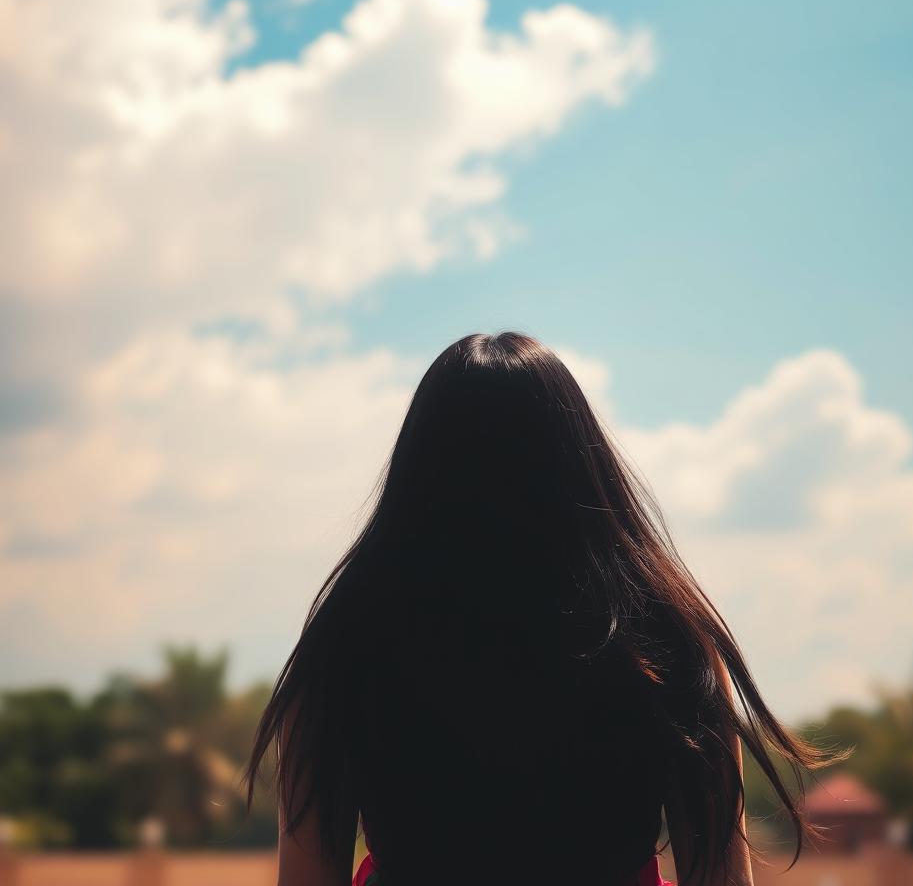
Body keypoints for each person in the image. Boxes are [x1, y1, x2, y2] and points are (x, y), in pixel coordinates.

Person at [243, 331, 848, 886]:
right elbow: (719, 878)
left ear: (416, 478)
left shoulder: (343, 656)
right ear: (583, 472)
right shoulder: (668, 647)